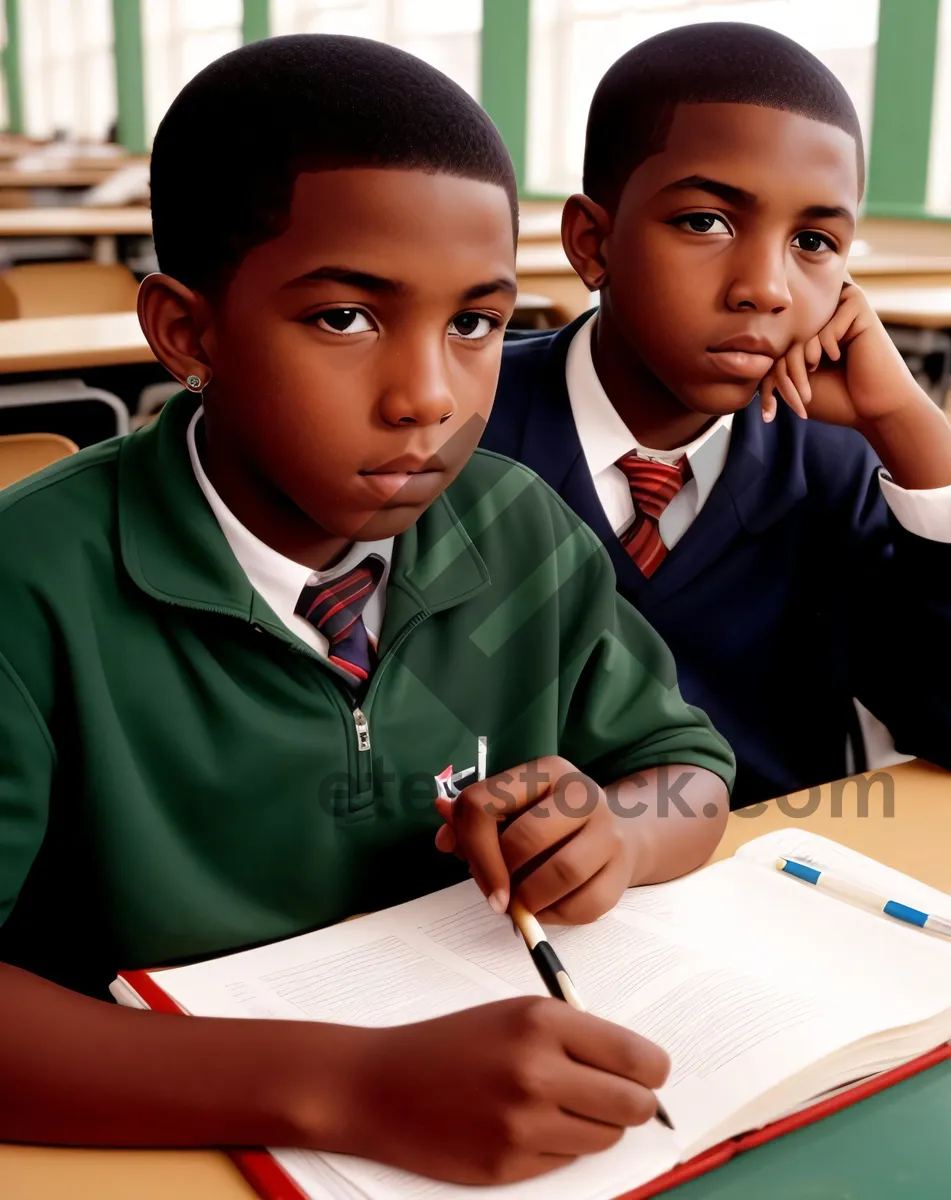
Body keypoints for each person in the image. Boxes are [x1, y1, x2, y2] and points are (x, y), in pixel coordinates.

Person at [0, 35, 734, 1185]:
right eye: (345, 318)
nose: (429, 398)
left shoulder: (517, 526)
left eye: (477, 324)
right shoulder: (27, 588)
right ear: (188, 333)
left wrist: (618, 827)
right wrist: (351, 1086)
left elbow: (690, 769)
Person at [483, 23, 951, 807]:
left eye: (813, 240)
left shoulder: (837, 464)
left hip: (770, 888)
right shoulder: (461, 427)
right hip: (493, 903)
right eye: (706, 221)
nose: (765, 286)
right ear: (592, 242)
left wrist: (909, 427)